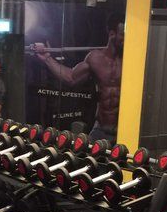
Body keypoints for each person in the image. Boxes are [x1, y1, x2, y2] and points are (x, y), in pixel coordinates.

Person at [32, 12, 124, 142]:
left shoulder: (131, 61)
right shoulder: (96, 58)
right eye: (123, 34)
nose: (127, 39)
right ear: (112, 34)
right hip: (100, 129)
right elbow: (71, 78)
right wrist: (47, 58)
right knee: (83, 153)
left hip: (123, 130)